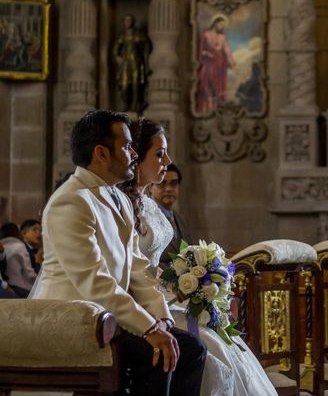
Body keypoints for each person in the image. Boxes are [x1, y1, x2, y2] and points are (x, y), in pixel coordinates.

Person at [31, 110, 207, 396]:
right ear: (101, 153)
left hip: (108, 316)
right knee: (159, 353)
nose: (134, 155)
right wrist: (149, 329)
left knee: (191, 347)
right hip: (74, 319)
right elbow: (95, 282)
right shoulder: (72, 201)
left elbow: (139, 269)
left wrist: (162, 320)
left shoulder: (119, 198)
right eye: (126, 147)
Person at [120, 118, 277, 396]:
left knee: (224, 338)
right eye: (159, 154)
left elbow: (150, 267)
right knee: (208, 343)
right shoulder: (122, 205)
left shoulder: (151, 206)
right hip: (139, 304)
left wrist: (187, 287)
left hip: (158, 295)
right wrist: (171, 291)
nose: (166, 160)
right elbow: (127, 269)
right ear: (137, 156)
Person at [148, 163, 197, 269]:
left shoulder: (181, 219)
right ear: (150, 187)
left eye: (174, 183)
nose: (169, 189)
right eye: (162, 183)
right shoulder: (144, 218)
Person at [196, 14, 236, 115]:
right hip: (208, 64)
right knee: (207, 85)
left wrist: (232, 62)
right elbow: (199, 50)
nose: (222, 27)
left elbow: (227, 51)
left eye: (223, 25)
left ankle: (215, 110)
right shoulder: (205, 35)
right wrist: (207, 53)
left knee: (218, 90)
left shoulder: (222, 37)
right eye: (220, 24)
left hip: (219, 67)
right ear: (215, 23)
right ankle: (208, 110)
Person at [112, 14, 150, 113]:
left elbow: (146, 46)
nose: (128, 22)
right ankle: (127, 104)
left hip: (136, 62)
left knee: (136, 85)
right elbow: (116, 48)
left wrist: (145, 59)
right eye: (126, 20)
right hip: (126, 63)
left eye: (129, 20)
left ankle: (135, 106)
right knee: (124, 86)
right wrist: (117, 56)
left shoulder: (138, 34)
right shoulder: (123, 35)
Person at [0, 221, 38, 297]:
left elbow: (3, 269)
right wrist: (39, 281)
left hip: (8, 283)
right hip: (17, 285)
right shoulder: (20, 246)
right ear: (21, 233)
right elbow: (29, 273)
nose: (39, 234)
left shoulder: (3, 245)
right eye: (35, 230)